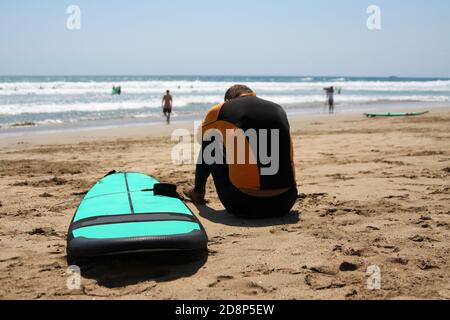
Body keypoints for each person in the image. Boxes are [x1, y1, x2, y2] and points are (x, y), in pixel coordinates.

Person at [184, 85, 298, 218]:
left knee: (210, 140)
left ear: (228, 100)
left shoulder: (221, 110)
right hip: (285, 202)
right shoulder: (278, 109)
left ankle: (198, 193)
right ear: (253, 95)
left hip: (242, 204)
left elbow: (202, 140)